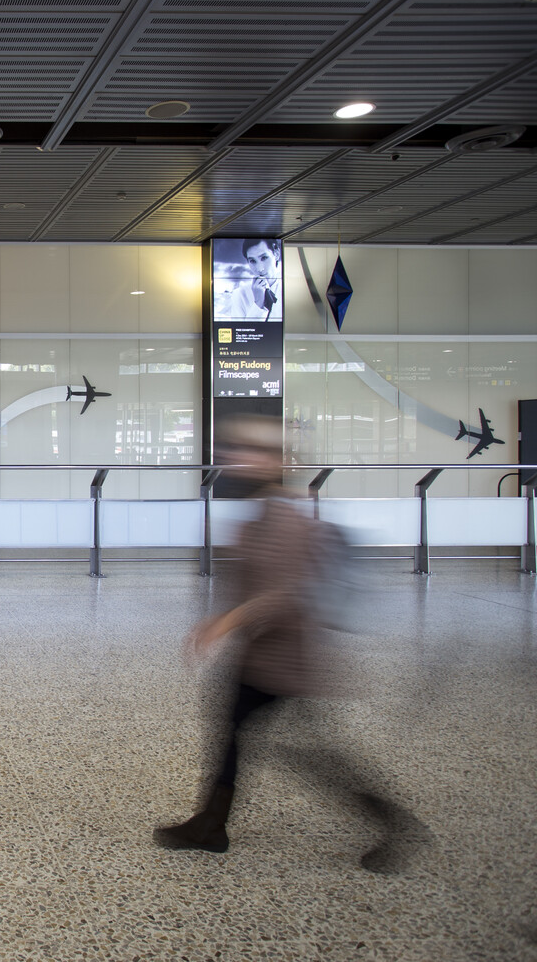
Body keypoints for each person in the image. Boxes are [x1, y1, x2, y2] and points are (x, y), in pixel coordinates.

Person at [152, 415, 426, 872]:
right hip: (260, 656)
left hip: (284, 659)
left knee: (313, 753)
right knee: (238, 732)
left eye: (251, 451)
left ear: (275, 463)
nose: (236, 457)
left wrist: (226, 622)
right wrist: (222, 621)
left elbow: (284, 595)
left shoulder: (282, 517)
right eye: (235, 448)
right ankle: (211, 823)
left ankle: (394, 823)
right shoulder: (262, 512)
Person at [213, 238, 281, 322]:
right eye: (252, 261)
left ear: (276, 254)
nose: (259, 268)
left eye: (264, 258)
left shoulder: (289, 291)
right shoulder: (239, 295)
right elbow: (240, 332)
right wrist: (258, 304)